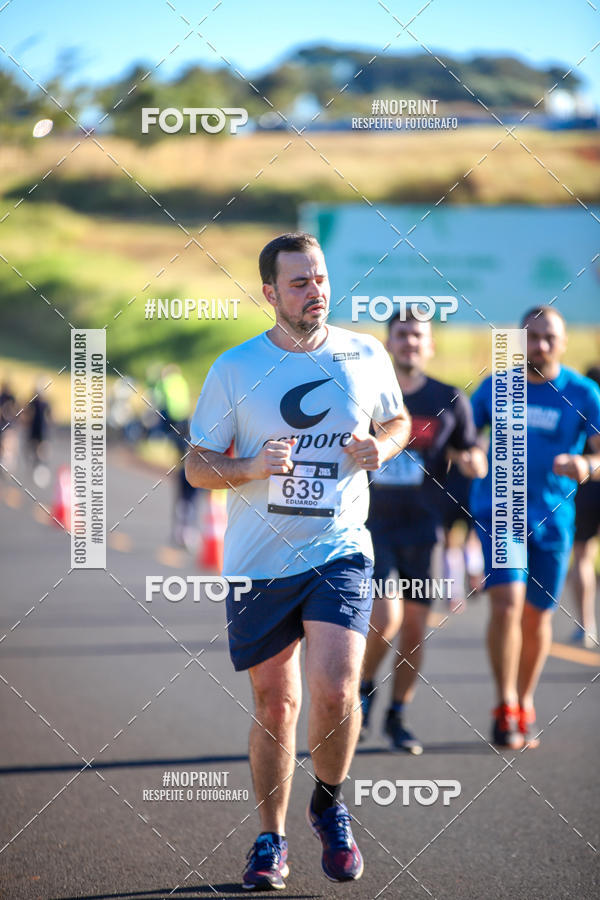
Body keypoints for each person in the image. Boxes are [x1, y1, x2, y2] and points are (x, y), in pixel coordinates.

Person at [185, 233, 410, 890]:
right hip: (259, 562)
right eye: (298, 283)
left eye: (319, 278)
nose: (315, 292)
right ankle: (270, 838)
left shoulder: (364, 354)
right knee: (275, 701)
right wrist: (249, 465)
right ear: (269, 294)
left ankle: (330, 804)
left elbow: (395, 424)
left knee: (337, 687)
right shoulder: (234, 367)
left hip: (339, 550)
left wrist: (380, 448)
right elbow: (197, 465)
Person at [470, 307, 600, 749]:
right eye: (532, 337)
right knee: (507, 602)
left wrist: (585, 463)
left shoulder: (584, 393)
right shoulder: (495, 387)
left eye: (549, 337)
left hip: (554, 520)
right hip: (500, 512)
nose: (540, 346)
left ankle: (525, 700)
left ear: (563, 343)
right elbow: (464, 436)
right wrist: (469, 455)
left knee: (537, 616)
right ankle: (504, 704)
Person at [359, 311, 487, 754]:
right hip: (372, 525)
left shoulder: (448, 398)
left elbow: (471, 452)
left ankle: (397, 715)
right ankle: (361, 690)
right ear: (388, 343)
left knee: (414, 626)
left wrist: (474, 462)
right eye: (402, 335)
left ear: (429, 346)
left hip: (425, 528)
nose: (410, 342)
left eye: (418, 336)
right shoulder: (366, 394)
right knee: (385, 617)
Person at [569, 365, 600, 649]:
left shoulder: (583, 394)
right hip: (588, 481)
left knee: (582, 556)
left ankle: (585, 624)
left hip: (587, 484)